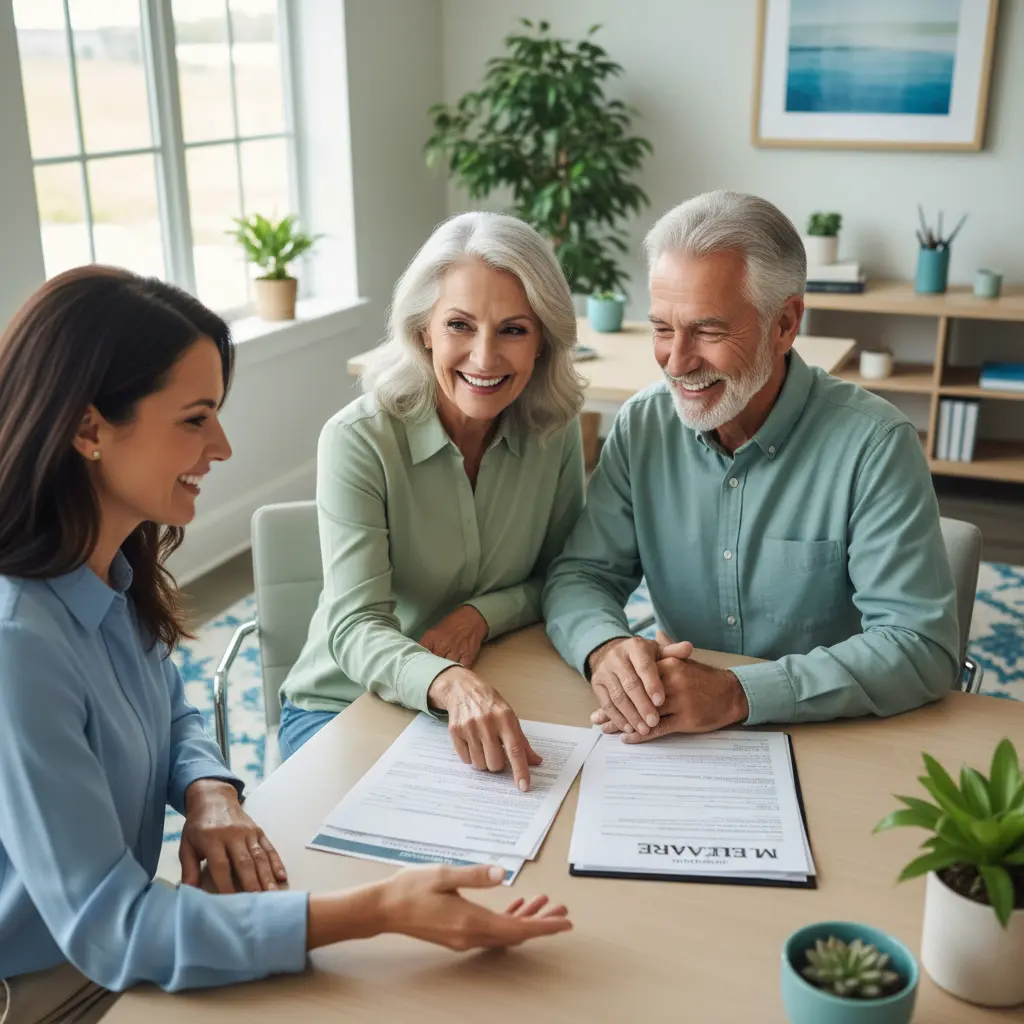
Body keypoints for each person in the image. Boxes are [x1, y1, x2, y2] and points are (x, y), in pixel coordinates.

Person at [0, 267, 572, 1022]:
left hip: (120, 951)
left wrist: (208, 793)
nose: (224, 447)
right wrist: (379, 909)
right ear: (87, 430)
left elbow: (170, 707)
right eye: (196, 418)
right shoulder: (20, 644)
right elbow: (117, 930)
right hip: (51, 989)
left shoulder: (112, 565)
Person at [542, 191, 959, 743]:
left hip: (834, 733)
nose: (678, 360)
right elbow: (582, 575)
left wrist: (741, 694)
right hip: (680, 733)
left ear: (785, 324)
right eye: (663, 328)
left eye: (708, 331)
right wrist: (606, 648)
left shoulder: (875, 445)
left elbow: (921, 647)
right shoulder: (642, 425)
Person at [279, 212, 586, 790]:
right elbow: (355, 627)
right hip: (343, 705)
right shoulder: (358, 439)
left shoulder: (555, 428)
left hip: (497, 682)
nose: (485, 357)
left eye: (514, 330)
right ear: (423, 329)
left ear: (543, 337)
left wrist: (480, 616)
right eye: (460, 326)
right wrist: (448, 682)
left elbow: (565, 575)